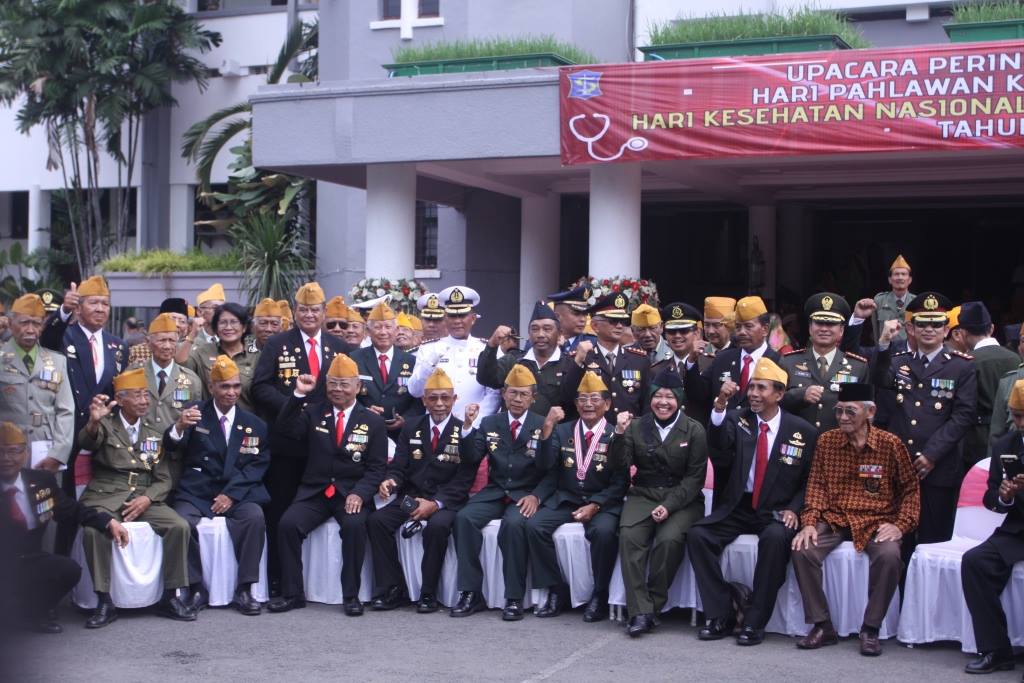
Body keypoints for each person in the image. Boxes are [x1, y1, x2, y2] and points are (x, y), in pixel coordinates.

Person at [690, 358, 816, 645]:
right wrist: (720, 408)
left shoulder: (803, 432)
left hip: (776, 509)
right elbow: (719, 449)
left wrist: (795, 509)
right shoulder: (738, 419)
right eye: (751, 387)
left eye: (762, 388)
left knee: (774, 539)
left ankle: (755, 621)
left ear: (780, 394)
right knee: (699, 535)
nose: (754, 394)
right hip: (738, 505)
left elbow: (810, 480)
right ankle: (722, 612)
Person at [791, 383, 920, 657]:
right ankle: (821, 625)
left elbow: (910, 489)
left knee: (888, 555)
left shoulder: (890, 444)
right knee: (803, 549)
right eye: (839, 411)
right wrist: (810, 522)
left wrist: (900, 524)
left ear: (870, 412)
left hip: (876, 519)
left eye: (851, 411)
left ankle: (870, 629)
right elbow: (815, 486)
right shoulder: (827, 441)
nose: (843, 418)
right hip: (836, 517)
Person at [251, 282, 352, 591]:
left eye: (315, 310)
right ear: (294, 312)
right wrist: (295, 404)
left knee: (321, 511)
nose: (309, 314)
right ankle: (279, 579)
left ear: (324, 313)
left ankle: (324, 582)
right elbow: (259, 387)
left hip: (326, 446)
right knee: (281, 512)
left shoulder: (340, 347)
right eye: (303, 309)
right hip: (288, 443)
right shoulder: (277, 343)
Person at [268, 354, 387, 616]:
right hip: (316, 491)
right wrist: (298, 394)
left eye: (344, 384)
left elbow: (377, 468)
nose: (337, 390)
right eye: (332, 383)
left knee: (355, 527)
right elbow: (285, 427)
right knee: (287, 525)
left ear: (357, 386)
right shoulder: (313, 412)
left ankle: (351, 595)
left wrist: (360, 493)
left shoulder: (373, 421)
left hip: (351, 494)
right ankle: (292, 593)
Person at [77, 367, 195, 627]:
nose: (144, 401)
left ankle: (170, 596)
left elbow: (164, 477)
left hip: (144, 493)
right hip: (107, 493)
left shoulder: (156, 430)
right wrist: (93, 421)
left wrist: (148, 499)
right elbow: (88, 442)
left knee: (179, 526)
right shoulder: (105, 425)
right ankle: (104, 600)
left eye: (146, 395)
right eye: (137, 396)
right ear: (120, 399)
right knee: (93, 532)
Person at [0, 421, 129, 633]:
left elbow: (71, 510)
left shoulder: (40, 482)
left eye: (13, 452)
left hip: (28, 558)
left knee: (67, 570)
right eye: (1, 452)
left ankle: (36, 614)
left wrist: (108, 521)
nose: (6, 459)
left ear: (25, 453)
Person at [166, 355, 270, 616]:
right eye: (225, 386)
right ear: (211, 387)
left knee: (254, 517)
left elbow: (256, 465)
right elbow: (170, 447)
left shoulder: (254, 424)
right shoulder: (195, 414)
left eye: (236, 386)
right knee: (181, 522)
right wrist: (178, 426)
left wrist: (231, 495)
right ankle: (195, 587)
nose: (231, 392)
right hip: (198, 490)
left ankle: (245, 588)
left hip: (236, 492)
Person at [367, 368, 477, 613]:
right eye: (433, 398)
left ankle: (428, 593)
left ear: (454, 399)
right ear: (424, 400)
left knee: (437, 527)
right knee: (377, 521)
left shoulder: (464, 432)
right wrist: (390, 482)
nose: (439, 404)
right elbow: (399, 467)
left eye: (445, 398)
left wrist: (436, 503)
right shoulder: (411, 427)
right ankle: (393, 588)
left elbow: (463, 479)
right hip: (412, 496)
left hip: (446, 501)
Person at [871, 291, 976, 546]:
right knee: (896, 541)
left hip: (938, 466)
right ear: (911, 328)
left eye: (936, 323)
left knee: (933, 539)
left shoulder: (961, 366)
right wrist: (883, 344)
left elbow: (963, 416)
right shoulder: (898, 362)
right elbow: (880, 379)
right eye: (922, 323)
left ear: (946, 329)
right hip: (900, 464)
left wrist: (932, 454)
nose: (929, 329)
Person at [610, 370, 708, 637]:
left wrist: (670, 505)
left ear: (679, 400)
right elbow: (620, 466)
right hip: (643, 493)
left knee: (669, 541)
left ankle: (652, 605)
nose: (663, 402)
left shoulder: (694, 429)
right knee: (629, 538)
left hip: (682, 498)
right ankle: (639, 612)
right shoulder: (635, 426)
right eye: (657, 396)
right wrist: (618, 434)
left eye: (669, 397)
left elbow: (694, 479)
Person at [526, 372, 627, 622]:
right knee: (534, 526)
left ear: (608, 404)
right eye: (582, 399)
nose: (588, 404)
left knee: (603, 534)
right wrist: (547, 429)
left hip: (602, 502)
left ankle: (599, 594)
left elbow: (621, 482)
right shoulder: (562, 431)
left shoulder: (617, 434)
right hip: (567, 498)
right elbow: (545, 468)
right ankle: (555, 589)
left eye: (594, 399)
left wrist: (596, 504)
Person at [449, 365, 549, 620]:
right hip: (495, 491)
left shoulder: (543, 424)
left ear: (533, 397)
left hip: (525, 493)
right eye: (513, 393)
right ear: (503, 394)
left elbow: (552, 470)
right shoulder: (490, 422)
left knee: (513, 525)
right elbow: (472, 458)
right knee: (464, 518)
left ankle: (514, 597)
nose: (517, 399)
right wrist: (468, 428)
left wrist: (537, 496)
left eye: (523, 394)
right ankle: (470, 592)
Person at [40, 276, 128, 552]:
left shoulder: (118, 345)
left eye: (105, 304)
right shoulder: (64, 335)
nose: (101, 309)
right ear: (79, 307)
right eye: (93, 303)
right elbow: (47, 338)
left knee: (97, 502)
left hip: (99, 434)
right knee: (63, 507)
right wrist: (62, 312)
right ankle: (59, 566)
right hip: (68, 432)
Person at [961, 379, 1024, 675]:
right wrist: (1004, 495)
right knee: (975, 562)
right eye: (1016, 415)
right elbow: (991, 497)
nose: (1019, 422)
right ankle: (996, 650)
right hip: (1018, 530)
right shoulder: (1005, 445)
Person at [0, 294, 75, 476]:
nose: (30, 329)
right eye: (24, 323)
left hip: (45, 454)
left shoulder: (57, 361)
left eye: (36, 324)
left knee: (44, 502)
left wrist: (58, 455)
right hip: (6, 453)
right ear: (10, 323)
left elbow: (65, 411)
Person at [408, 286, 500, 427]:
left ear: (473, 318)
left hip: (476, 427)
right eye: (452, 316)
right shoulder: (429, 349)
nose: (457, 321)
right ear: (445, 318)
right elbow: (415, 391)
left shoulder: (486, 349)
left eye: (462, 315)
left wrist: (474, 423)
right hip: (437, 427)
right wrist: (431, 360)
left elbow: (493, 394)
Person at [780, 293, 869, 433]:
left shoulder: (858, 367)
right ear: (810, 328)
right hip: (797, 442)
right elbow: (773, 402)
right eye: (819, 323)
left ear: (841, 330)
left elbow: (865, 412)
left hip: (838, 446)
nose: (824, 329)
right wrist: (799, 395)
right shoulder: (788, 361)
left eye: (831, 324)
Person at [559, 292, 650, 421]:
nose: (619, 326)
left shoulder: (639, 360)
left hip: (629, 435)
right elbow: (566, 398)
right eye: (613, 321)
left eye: (623, 321)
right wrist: (578, 361)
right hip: (591, 434)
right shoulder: (580, 358)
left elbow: (646, 405)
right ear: (595, 326)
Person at [686, 296, 781, 417]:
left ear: (765, 329)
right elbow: (698, 394)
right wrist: (691, 362)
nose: (741, 332)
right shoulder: (723, 358)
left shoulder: (778, 362)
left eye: (748, 326)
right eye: (738, 327)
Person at [954, 302, 1021, 467]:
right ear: (991, 328)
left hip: (976, 439)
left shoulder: (967, 362)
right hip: (1012, 433)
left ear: (962, 333)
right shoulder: (1015, 358)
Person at [139, 313, 203, 484]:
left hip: (175, 461)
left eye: (172, 341)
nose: (167, 346)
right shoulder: (133, 374)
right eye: (161, 340)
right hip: (140, 457)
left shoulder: (191, 380)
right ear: (149, 343)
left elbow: (195, 425)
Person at [477, 301, 563, 417]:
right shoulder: (514, 360)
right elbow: (486, 378)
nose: (540, 334)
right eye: (535, 329)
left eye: (547, 329)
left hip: (552, 432)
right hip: (512, 432)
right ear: (528, 333)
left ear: (559, 334)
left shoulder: (569, 365)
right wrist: (492, 344)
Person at [349, 302, 419, 434]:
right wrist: (364, 411)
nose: (383, 332)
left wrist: (405, 419)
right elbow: (346, 394)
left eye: (388, 327)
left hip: (401, 434)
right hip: (364, 429)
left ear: (396, 330)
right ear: (368, 332)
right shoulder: (354, 359)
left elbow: (419, 399)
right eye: (378, 327)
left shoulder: (412, 361)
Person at [186, 303, 260, 413]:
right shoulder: (202, 352)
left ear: (244, 327)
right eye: (223, 322)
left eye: (234, 322)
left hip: (247, 423)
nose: (228, 327)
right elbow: (181, 364)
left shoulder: (256, 355)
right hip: (209, 422)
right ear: (216, 328)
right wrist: (192, 335)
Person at [649, 302, 708, 419]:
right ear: (665, 335)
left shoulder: (710, 364)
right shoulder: (656, 369)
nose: (677, 336)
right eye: (672, 331)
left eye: (684, 330)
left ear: (697, 333)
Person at [128, 297, 194, 368]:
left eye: (182, 321)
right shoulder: (137, 351)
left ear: (187, 326)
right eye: (173, 319)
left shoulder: (193, 351)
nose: (177, 324)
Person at [871, 255, 915, 350]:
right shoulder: (879, 300)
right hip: (886, 351)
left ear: (909, 280)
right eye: (896, 274)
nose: (900, 277)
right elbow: (875, 329)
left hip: (909, 354)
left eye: (904, 274)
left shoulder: (916, 302)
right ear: (890, 280)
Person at [547, 284, 596, 354]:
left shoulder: (593, 343)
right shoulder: (541, 342)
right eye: (576, 314)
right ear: (557, 317)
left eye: (585, 314)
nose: (583, 319)